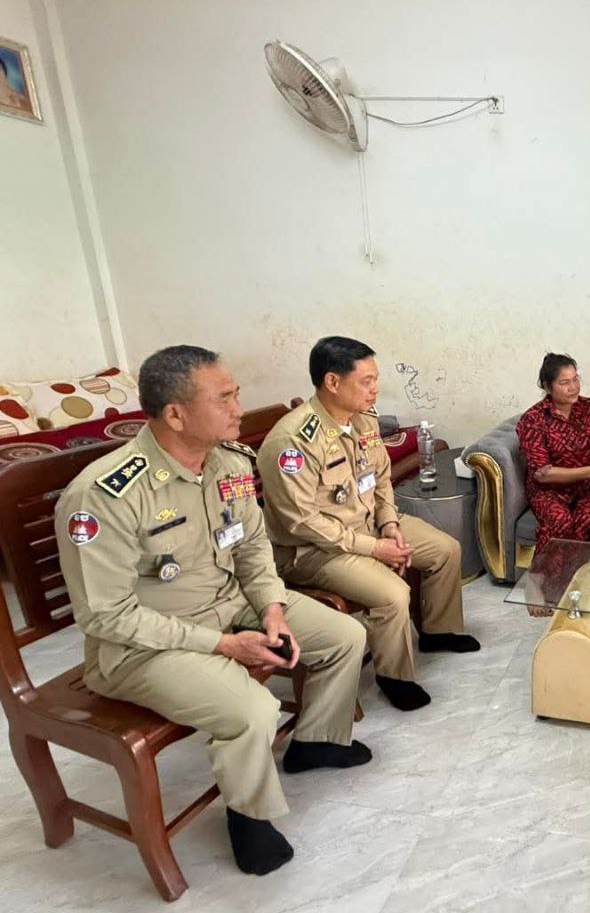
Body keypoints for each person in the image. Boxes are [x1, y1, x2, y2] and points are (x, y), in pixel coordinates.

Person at [54, 345, 370, 877]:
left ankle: (317, 742)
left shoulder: (229, 462)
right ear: (176, 415)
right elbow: (105, 617)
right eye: (223, 398)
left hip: (231, 604)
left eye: (236, 394)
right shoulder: (103, 496)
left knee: (344, 636)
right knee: (253, 711)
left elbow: (251, 549)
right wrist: (222, 645)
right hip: (141, 647)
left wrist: (272, 609)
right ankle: (248, 818)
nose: (238, 409)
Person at [259, 336, 477, 715]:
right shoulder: (292, 442)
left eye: (375, 379)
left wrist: (389, 524)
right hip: (314, 551)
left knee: (445, 550)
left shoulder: (364, 420)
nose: (375, 389)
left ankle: (439, 631)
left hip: (369, 524)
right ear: (332, 382)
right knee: (392, 593)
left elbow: (381, 479)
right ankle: (395, 677)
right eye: (366, 381)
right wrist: (375, 549)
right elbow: (302, 523)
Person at [516, 352, 590, 551]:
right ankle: (548, 571)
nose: (573, 387)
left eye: (575, 379)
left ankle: (579, 571)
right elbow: (543, 474)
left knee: (588, 521)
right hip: (549, 490)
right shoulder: (533, 420)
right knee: (560, 521)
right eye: (564, 383)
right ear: (548, 387)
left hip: (586, 489)